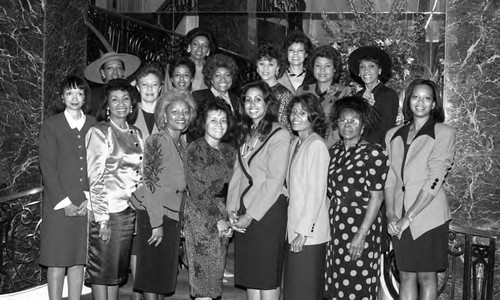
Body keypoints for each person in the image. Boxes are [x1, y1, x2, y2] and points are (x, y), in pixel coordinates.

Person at [385, 79, 455, 300]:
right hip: (398, 217)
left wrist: (409, 217)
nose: (420, 102)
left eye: (427, 98)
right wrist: (391, 214)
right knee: (405, 275)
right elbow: (390, 179)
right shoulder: (393, 134)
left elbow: (436, 177)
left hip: (428, 217)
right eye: (416, 97)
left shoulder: (443, 132)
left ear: (434, 104)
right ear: (408, 101)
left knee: (426, 276)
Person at [227, 81, 291, 300]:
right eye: (247, 99)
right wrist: (232, 209)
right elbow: (237, 174)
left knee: (266, 275)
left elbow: (274, 181)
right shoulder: (246, 132)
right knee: (251, 275)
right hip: (244, 210)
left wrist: (251, 215)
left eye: (258, 99)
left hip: (268, 211)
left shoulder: (279, 133)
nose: (252, 104)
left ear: (267, 103)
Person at [131, 90, 196, 300]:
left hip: (172, 216)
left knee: (161, 276)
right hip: (155, 214)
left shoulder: (181, 143)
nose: (181, 115)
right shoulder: (157, 140)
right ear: (164, 115)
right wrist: (156, 223)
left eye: (185, 112)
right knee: (152, 275)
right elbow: (151, 184)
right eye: (174, 111)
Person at [324, 96, 389, 299]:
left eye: (354, 121)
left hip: (362, 226)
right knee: (336, 282)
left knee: (357, 282)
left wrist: (361, 235)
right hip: (336, 225)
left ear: (363, 125)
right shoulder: (333, 152)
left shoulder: (373, 153)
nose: (347, 124)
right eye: (343, 120)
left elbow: (377, 198)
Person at [39, 75, 96, 300]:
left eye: (79, 93)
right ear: (62, 97)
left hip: (85, 203)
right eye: (70, 93)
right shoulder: (51, 124)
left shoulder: (93, 123)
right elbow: (48, 166)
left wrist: (90, 200)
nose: (75, 98)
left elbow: (98, 164)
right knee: (56, 260)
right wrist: (64, 202)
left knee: (77, 259)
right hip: (58, 203)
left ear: (85, 98)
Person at [85, 79, 142, 300]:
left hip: (130, 211)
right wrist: (102, 218)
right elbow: (95, 178)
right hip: (108, 211)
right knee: (102, 271)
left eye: (125, 99)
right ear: (107, 105)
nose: (121, 104)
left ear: (131, 104)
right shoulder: (100, 132)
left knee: (116, 272)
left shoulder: (135, 133)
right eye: (115, 99)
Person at [184, 97, 236, 300]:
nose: (219, 125)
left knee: (215, 275)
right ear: (203, 123)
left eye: (223, 120)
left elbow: (235, 186)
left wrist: (230, 215)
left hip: (223, 213)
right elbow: (196, 190)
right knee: (203, 275)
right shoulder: (195, 149)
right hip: (201, 216)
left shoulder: (230, 151)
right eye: (213, 120)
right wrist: (219, 220)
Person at [283, 94, 330, 300]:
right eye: (293, 112)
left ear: (313, 116)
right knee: (294, 289)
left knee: (305, 290)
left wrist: (303, 231)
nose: (296, 117)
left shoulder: (316, 145)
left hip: (309, 234)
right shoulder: (296, 143)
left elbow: (316, 192)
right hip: (293, 227)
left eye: (302, 113)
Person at [298, 45, 352, 147]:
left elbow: (342, 126)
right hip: (304, 146)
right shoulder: (302, 91)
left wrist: (322, 147)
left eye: (327, 66)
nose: (322, 70)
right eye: (318, 65)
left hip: (330, 148)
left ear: (335, 69)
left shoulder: (344, 92)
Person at [347, 46, 399, 146]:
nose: (366, 71)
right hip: (356, 147)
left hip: (376, 150)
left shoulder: (388, 95)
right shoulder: (358, 96)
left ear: (379, 70)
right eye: (362, 67)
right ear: (358, 72)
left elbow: (387, 128)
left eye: (371, 66)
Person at [190, 53, 240, 142]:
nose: (223, 79)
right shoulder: (199, 97)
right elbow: (194, 131)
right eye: (217, 75)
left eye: (227, 75)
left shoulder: (236, 98)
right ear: (211, 79)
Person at [84, 51, 141, 116]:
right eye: (110, 68)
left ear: (123, 72)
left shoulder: (132, 94)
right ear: (102, 72)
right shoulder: (93, 96)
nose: (115, 71)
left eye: (119, 68)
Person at [164, 27, 218, 92]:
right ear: (189, 47)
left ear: (208, 51)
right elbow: (166, 95)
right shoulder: (174, 66)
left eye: (205, 46)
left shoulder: (213, 71)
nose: (200, 48)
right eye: (196, 44)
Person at [255, 44, 294, 130]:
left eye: (270, 64)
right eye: (261, 64)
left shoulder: (285, 95)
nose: (265, 68)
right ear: (257, 68)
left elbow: (285, 127)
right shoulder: (252, 91)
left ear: (277, 68)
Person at [277, 30, 316, 95]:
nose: (295, 54)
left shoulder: (313, 78)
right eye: (291, 50)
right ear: (286, 53)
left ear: (306, 54)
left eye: (300, 50)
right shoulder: (278, 77)